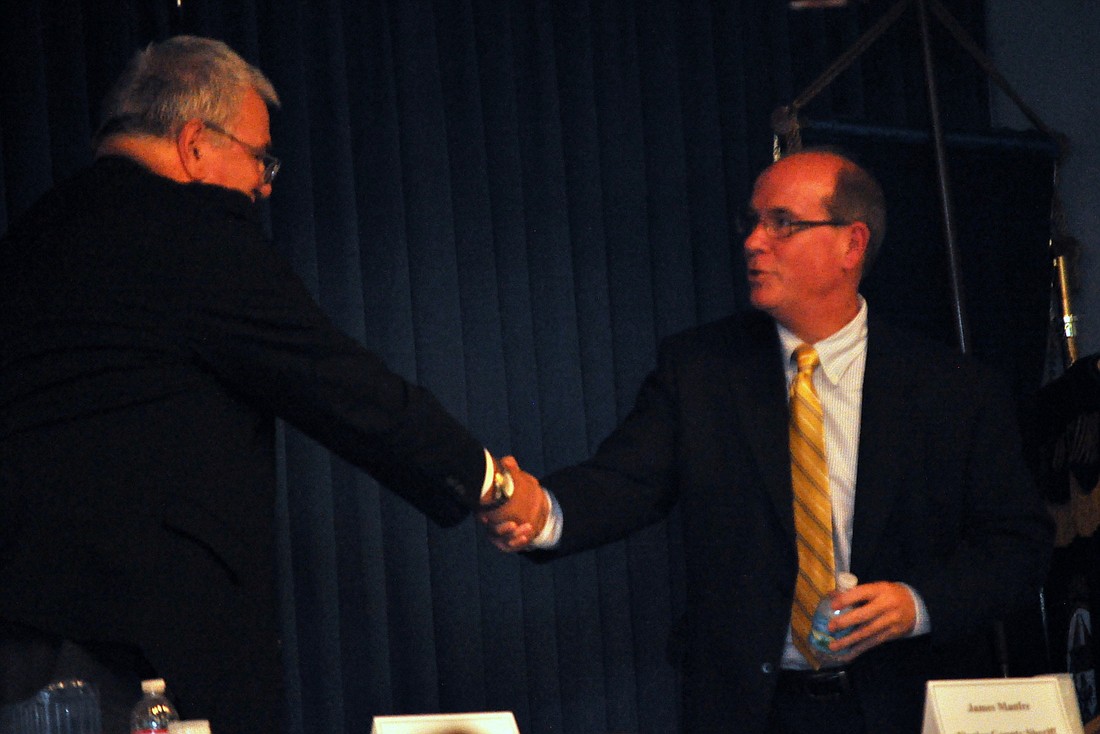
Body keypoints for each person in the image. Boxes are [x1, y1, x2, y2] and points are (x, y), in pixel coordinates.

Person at [0, 36, 524, 734]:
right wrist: (493, 483)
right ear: (193, 144)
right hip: (130, 659)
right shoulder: (191, 230)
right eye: (260, 156)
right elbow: (338, 383)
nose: (266, 183)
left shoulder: (31, 233)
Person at [486, 149, 1054, 733]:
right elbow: (624, 483)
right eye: (752, 223)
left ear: (851, 245)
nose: (754, 242)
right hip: (750, 710)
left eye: (783, 223)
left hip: (902, 705)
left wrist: (915, 604)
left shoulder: (954, 388)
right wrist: (540, 509)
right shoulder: (701, 369)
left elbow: (1018, 547)